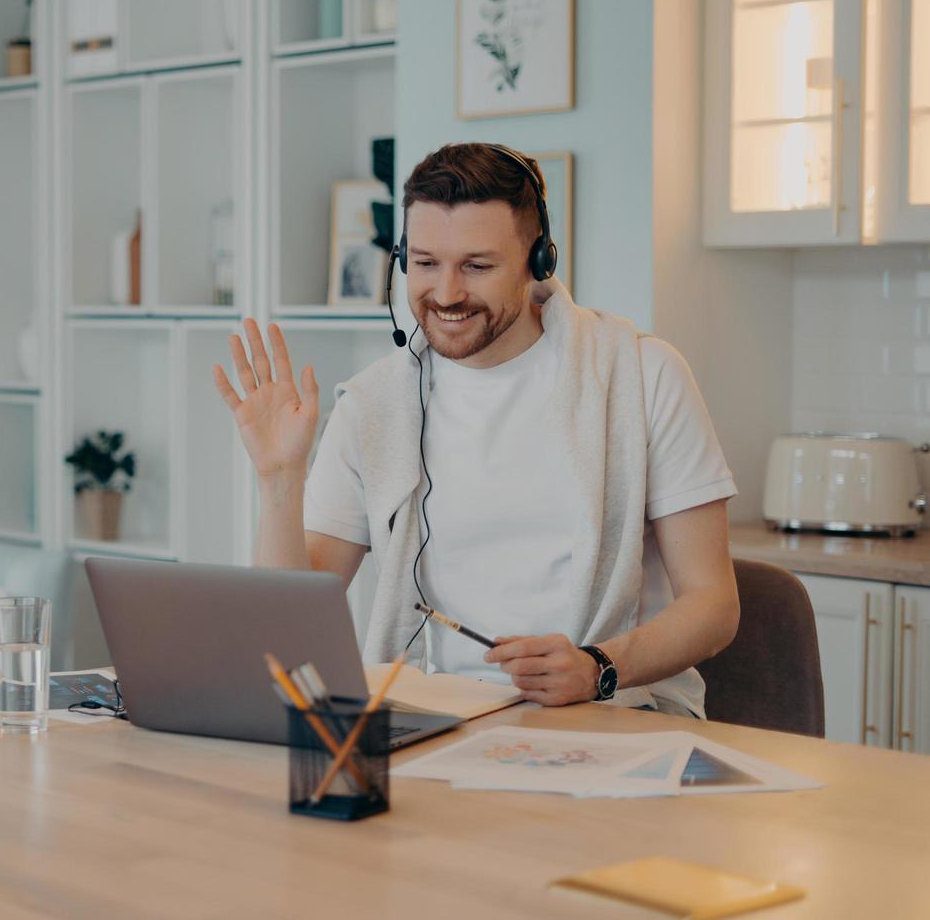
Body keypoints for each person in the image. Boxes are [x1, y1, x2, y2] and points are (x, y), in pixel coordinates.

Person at [213, 142, 739, 716]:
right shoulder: (373, 405)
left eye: (477, 266)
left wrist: (598, 667)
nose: (446, 294)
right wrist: (278, 478)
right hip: (432, 716)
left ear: (538, 261)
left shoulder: (642, 377)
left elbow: (713, 605)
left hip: (611, 711)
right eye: (425, 263)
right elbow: (287, 628)